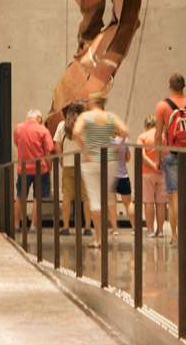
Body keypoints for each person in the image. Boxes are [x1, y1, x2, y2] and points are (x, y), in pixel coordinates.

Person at [73, 92, 127, 248]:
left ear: (92, 101)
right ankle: (109, 230)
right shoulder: (110, 116)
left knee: (95, 200)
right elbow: (124, 131)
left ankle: (99, 238)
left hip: (91, 161)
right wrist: (117, 148)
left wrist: (86, 150)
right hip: (109, 159)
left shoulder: (85, 117)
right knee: (108, 198)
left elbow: (76, 132)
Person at [154, 74, 186, 243]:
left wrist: (158, 158)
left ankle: (175, 235)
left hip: (170, 153)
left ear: (170, 86)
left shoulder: (162, 106)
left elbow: (158, 135)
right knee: (185, 196)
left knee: (173, 196)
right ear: (184, 85)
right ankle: (185, 234)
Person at [13, 109, 55, 233]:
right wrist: (49, 168)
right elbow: (48, 151)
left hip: (23, 168)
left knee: (20, 197)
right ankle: (33, 226)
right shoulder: (43, 130)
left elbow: (17, 143)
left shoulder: (18, 128)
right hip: (40, 169)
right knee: (38, 198)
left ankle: (16, 224)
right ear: (38, 118)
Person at [54, 100, 89, 235]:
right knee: (86, 198)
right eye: (85, 110)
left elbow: (57, 145)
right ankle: (87, 228)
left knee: (67, 196)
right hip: (84, 166)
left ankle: (66, 227)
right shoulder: (86, 126)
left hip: (68, 165)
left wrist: (61, 160)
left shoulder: (62, 126)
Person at [136, 115, 167, 237]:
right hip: (163, 173)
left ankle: (149, 230)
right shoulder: (164, 136)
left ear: (145, 125)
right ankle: (160, 230)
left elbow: (141, 154)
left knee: (148, 202)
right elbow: (168, 153)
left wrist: (153, 166)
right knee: (161, 203)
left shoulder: (142, 137)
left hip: (147, 173)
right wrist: (159, 166)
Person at [113, 133, 134, 232]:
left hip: (110, 176)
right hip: (123, 175)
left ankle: (115, 229)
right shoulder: (125, 140)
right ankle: (134, 227)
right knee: (128, 203)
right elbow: (128, 158)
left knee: (111, 204)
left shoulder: (105, 140)